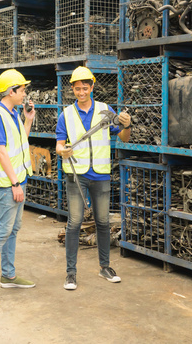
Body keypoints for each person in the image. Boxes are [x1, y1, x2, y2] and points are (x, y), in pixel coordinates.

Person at [56, 66, 131, 290]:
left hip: (100, 175)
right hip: (76, 175)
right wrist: (63, 151)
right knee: (74, 223)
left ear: (92, 86)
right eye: (77, 88)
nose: (81, 92)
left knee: (103, 222)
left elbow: (125, 138)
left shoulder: (104, 109)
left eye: (85, 87)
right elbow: (59, 144)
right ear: (72, 89)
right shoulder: (66, 115)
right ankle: (71, 273)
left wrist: (127, 125)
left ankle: (105, 267)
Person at [0, 69, 36, 303]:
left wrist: (28, 120)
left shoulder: (12, 114)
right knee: (2, 231)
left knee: (13, 229)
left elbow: (20, 141)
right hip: (8, 184)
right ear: (11, 91)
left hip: (18, 180)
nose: (24, 94)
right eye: (22, 90)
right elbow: (1, 151)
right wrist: (14, 184)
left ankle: (9, 276)